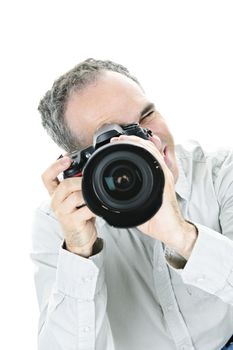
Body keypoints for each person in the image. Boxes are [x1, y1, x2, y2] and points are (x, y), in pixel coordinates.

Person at [31, 58, 233, 350]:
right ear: (79, 162)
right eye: (117, 135)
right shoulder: (58, 221)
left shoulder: (219, 172)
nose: (148, 138)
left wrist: (180, 234)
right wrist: (79, 252)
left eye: (147, 115)